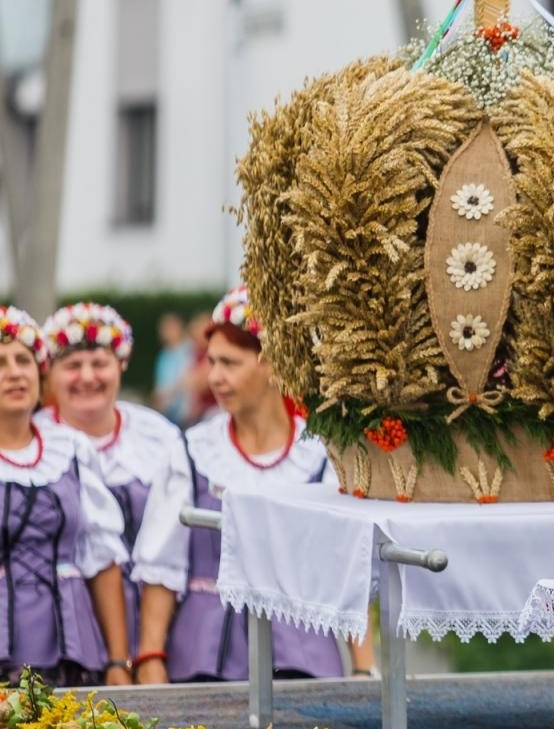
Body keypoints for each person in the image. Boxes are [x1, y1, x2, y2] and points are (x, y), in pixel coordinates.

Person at [138, 287, 345, 681]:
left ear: (271, 363)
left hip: (302, 657)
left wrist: (365, 667)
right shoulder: (192, 451)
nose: (214, 377)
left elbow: (343, 571)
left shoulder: (319, 456)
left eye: (229, 363)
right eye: (211, 361)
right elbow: (160, 567)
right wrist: (150, 658)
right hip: (202, 655)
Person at [35, 303, 192, 685]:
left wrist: (150, 651)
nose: (87, 376)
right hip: (68, 626)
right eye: (72, 365)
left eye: (99, 362)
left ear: (121, 363)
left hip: (158, 621)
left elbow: (175, 543)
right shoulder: (35, 441)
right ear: (50, 374)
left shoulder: (158, 437)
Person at [0, 305, 131, 687]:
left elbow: (101, 558)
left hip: (70, 648)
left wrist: (118, 662)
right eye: (1, 362)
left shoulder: (70, 450)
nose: (14, 372)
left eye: (24, 360)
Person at [150, 312, 192, 425]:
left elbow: (187, 380)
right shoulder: (163, 356)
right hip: (167, 411)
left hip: (185, 412)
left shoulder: (189, 350)